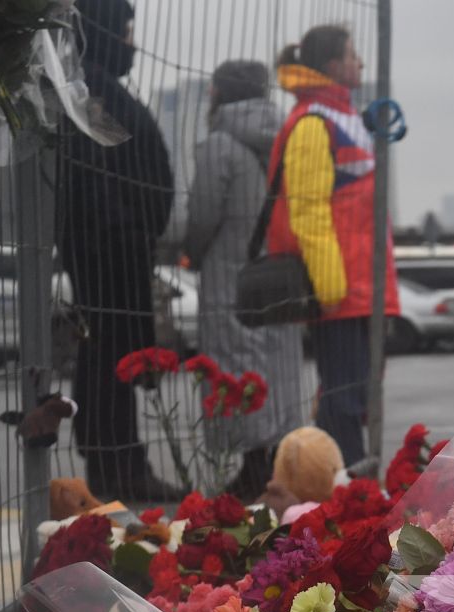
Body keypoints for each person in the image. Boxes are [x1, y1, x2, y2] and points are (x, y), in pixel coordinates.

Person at [57, 0, 179, 504]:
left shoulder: (99, 87)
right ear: (105, 30)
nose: (133, 42)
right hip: (110, 248)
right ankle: (116, 464)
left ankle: (120, 460)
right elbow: (96, 175)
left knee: (116, 352)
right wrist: (125, 230)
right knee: (110, 352)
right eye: (126, 30)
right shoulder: (87, 91)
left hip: (121, 245)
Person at [266, 25, 398, 469]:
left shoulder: (345, 118)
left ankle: (328, 485)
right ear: (332, 66)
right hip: (341, 289)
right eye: (352, 54)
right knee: (343, 397)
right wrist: (330, 287)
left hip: (361, 286)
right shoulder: (312, 122)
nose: (360, 62)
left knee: (351, 394)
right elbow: (306, 208)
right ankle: (350, 492)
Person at [182, 60, 304, 500]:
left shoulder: (219, 143)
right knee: (279, 365)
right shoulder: (289, 137)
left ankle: (252, 467)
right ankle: (280, 462)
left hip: (232, 275)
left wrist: (191, 253)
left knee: (237, 366)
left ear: (220, 93)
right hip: (279, 272)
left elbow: (203, 215)